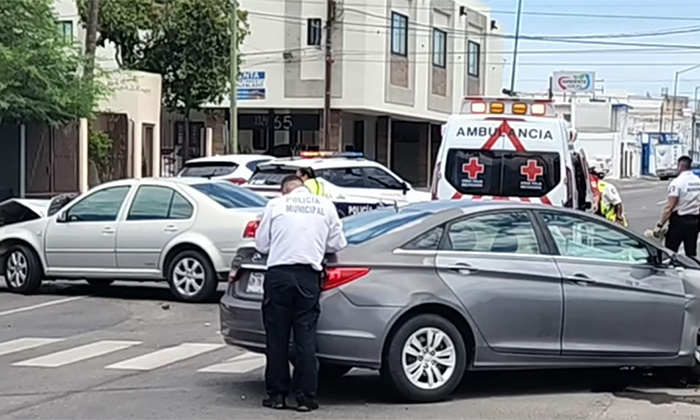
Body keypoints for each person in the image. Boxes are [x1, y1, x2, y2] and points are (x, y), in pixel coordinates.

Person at [255, 175, 347, 412]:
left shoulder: (276, 205)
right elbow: (337, 243)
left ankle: (277, 395)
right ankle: (306, 397)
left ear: (283, 191)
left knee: (277, 338)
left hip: (279, 275)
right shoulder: (325, 205)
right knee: (305, 337)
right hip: (308, 276)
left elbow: (262, 245)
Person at [655, 155, 700, 256]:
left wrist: (660, 225)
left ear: (680, 166)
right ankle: (692, 270)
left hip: (679, 222)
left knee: (670, 251)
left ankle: (670, 270)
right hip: (694, 221)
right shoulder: (698, 181)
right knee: (691, 252)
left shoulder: (677, 183)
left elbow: (669, 207)